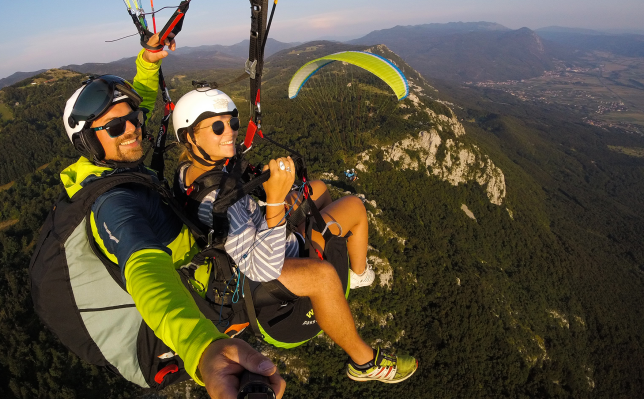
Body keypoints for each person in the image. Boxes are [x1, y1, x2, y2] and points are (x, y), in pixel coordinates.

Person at [59, 34, 285, 399]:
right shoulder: (114, 203)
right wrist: (201, 346)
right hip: (204, 287)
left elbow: (141, 104)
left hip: (198, 256)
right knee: (318, 273)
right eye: (116, 128)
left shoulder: (107, 164)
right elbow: (148, 276)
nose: (132, 129)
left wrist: (149, 62)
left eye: (131, 120)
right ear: (87, 141)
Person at [171, 86, 419, 384]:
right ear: (189, 136)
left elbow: (234, 220)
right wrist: (275, 201)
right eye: (218, 126)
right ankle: (364, 361)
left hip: (253, 235)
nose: (231, 132)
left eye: (232, 123)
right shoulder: (219, 200)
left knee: (319, 190)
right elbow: (261, 268)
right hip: (262, 265)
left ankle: (350, 268)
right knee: (351, 213)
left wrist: (267, 193)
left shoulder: (191, 171)